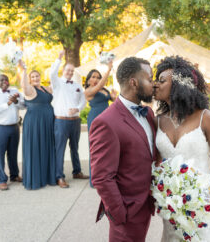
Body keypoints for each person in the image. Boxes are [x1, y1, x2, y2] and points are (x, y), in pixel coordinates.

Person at [154, 56, 210, 241]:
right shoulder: (157, 121)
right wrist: (161, 194)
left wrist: (205, 200)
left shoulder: (206, 118)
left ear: (178, 85)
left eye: (162, 80)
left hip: (203, 201)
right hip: (171, 204)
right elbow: (156, 164)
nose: (156, 84)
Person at [89, 57, 156, 242]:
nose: (153, 84)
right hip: (127, 212)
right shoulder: (106, 122)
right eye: (149, 79)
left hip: (145, 205)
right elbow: (101, 177)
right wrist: (120, 214)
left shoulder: (148, 113)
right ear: (134, 82)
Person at [50, 50, 87, 188]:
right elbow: (52, 73)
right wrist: (58, 59)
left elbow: (83, 101)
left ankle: (77, 171)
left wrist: (77, 109)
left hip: (75, 121)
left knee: (75, 148)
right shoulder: (57, 82)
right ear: (64, 70)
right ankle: (59, 177)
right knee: (60, 149)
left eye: (72, 71)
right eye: (68, 70)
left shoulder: (78, 85)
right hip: (61, 121)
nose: (70, 72)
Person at [18, 60, 56, 190]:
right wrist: (24, 70)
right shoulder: (30, 89)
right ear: (30, 79)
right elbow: (23, 85)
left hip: (48, 122)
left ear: (40, 77)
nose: (35, 78)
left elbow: (56, 85)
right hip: (34, 123)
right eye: (32, 76)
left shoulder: (46, 88)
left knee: (46, 147)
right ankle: (35, 178)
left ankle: (47, 176)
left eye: (37, 76)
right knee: (35, 148)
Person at [0, 74, 24, 191]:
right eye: (1, 80)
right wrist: (7, 103)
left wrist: (16, 101)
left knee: (13, 153)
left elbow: (23, 105)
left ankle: (14, 175)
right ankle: (1, 179)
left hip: (14, 126)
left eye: (6, 79)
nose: (5, 81)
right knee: (0, 154)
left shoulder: (15, 91)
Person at [84, 62, 117, 187]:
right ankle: (96, 179)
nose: (96, 79)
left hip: (108, 120)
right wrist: (108, 70)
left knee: (108, 148)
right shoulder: (88, 91)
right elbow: (99, 86)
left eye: (98, 77)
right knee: (96, 148)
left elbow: (113, 101)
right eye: (93, 77)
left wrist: (113, 97)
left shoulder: (104, 90)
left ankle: (107, 177)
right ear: (88, 81)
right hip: (96, 120)